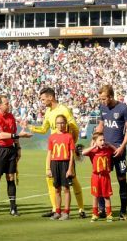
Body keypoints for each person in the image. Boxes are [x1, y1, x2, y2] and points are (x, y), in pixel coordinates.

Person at [32, 88, 87, 219]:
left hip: (65, 151)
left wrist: (71, 145)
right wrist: (30, 127)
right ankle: (55, 209)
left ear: (51, 97)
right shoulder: (48, 111)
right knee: (50, 178)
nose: (42, 101)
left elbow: (74, 128)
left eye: (43, 99)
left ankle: (81, 209)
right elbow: (44, 129)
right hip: (54, 150)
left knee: (72, 179)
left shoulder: (64, 110)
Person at [96, 85, 127, 220]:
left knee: (121, 179)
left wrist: (122, 146)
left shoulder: (123, 108)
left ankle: (123, 211)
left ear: (111, 96)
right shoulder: (102, 108)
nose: (102, 101)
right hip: (105, 150)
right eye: (100, 99)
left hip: (119, 150)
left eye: (104, 99)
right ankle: (102, 209)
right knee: (102, 178)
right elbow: (102, 125)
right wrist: (95, 138)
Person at [0, 95, 30, 217]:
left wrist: (18, 148)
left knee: (10, 177)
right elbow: (1, 135)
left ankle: (13, 208)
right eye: (6, 103)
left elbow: (14, 134)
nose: (8, 105)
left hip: (10, 150)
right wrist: (18, 136)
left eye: (8, 103)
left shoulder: (11, 117)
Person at [46, 114, 76, 220]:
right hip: (55, 164)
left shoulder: (69, 136)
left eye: (62, 122)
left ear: (65, 123)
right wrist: (48, 168)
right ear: (55, 124)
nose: (60, 125)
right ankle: (57, 211)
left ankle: (66, 212)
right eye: (58, 123)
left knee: (66, 189)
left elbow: (72, 154)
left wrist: (70, 168)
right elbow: (49, 153)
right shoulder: (52, 137)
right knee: (57, 189)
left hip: (65, 163)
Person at [84, 129, 115, 222]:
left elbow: (118, 151)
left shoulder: (107, 150)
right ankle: (95, 214)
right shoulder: (93, 151)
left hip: (105, 176)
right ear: (95, 141)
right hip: (95, 177)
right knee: (95, 196)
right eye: (100, 140)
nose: (103, 142)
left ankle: (109, 214)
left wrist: (110, 145)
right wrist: (93, 146)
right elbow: (83, 152)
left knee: (106, 196)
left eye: (103, 140)